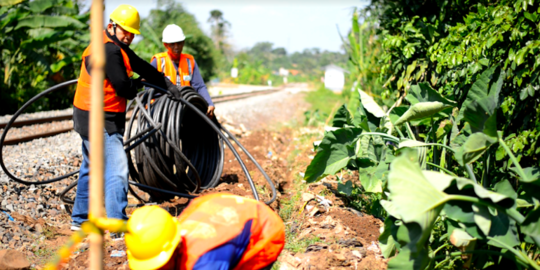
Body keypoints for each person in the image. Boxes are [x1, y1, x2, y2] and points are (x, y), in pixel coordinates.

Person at [71, 4, 182, 231]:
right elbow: (123, 87)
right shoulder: (110, 51)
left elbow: (141, 65)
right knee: (117, 167)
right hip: (99, 118)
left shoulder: (112, 44)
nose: (129, 36)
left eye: (132, 32)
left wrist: (167, 84)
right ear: (112, 26)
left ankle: (80, 220)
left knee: (91, 167)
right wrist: (138, 86)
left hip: (87, 114)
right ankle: (117, 224)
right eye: (125, 31)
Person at [125, 193, 285, 270]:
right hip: (223, 209)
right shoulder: (164, 232)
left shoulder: (206, 261)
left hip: (263, 230)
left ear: (174, 249)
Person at [150, 24, 215, 119]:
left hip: (185, 108)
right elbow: (148, 87)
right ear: (166, 45)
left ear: (183, 43)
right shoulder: (158, 61)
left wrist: (209, 103)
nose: (176, 47)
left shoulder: (190, 61)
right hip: (162, 110)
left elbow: (199, 86)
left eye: (179, 43)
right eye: (172, 44)